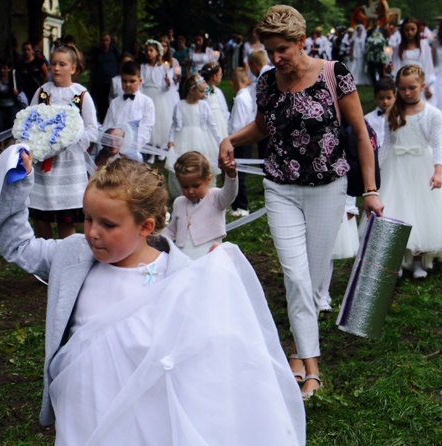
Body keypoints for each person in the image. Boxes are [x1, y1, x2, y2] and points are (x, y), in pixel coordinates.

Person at [0, 151, 305, 445]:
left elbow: (210, 352)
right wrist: (19, 184)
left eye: (107, 224)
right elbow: (16, 245)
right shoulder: (72, 254)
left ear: (146, 227)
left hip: (143, 413)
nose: (92, 232)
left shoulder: (178, 275)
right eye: (87, 218)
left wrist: (216, 278)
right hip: (81, 404)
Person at [219, 5, 383, 401]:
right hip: (280, 187)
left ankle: (297, 351)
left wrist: (371, 189)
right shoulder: (267, 81)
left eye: (282, 50)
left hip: (328, 186)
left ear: (300, 42)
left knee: (309, 278)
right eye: (269, 50)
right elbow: (264, 125)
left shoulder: (333, 73)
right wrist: (232, 140)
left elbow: (360, 133)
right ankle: (313, 368)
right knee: (294, 276)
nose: (275, 58)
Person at [28, 45, 98, 240]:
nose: (56, 68)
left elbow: (92, 129)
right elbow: (30, 120)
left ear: (73, 69)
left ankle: (66, 257)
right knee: (41, 218)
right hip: (44, 163)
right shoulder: (42, 92)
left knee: (65, 217)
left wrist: (68, 139)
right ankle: (46, 258)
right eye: (53, 64)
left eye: (62, 64)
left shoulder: (81, 95)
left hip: (69, 163)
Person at [379, 65, 442, 278]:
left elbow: (438, 144)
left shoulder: (432, 114)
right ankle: (396, 261)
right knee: (396, 211)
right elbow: (386, 143)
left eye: (412, 88)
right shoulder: (393, 112)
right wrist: (378, 168)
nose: (407, 92)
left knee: (420, 212)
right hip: (396, 167)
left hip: (420, 167)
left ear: (422, 86)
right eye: (403, 88)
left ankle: (417, 262)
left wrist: (438, 171)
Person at [163, 151, 237, 259]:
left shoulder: (215, 198)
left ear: (208, 180)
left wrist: (231, 176)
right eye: (185, 187)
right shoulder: (179, 202)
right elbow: (172, 230)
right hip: (182, 255)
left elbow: (230, 194)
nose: (191, 191)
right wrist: (156, 239)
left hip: (209, 253)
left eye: (196, 186)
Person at [166, 74, 223, 199]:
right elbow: (174, 125)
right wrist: (171, 139)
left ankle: (205, 191)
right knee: (185, 164)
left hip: (201, 137)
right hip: (183, 138)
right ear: (192, 90)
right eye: (201, 91)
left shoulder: (204, 106)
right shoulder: (180, 105)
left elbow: (212, 125)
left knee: (203, 163)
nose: (203, 94)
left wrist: (220, 141)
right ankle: (186, 191)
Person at [102, 61, 155, 155]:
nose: (127, 84)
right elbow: (108, 125)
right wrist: (113, 144)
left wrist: (132, 146)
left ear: (140, 81)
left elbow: (146, 128)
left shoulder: (147, 102)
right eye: (124, 81)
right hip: (114, 149)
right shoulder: (114, 103)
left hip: (136, 149)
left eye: (132, 81)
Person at [387, 17, 436, 102]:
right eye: (407, 30)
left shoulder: (424, 46)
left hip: (420, 80)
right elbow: (396, 66)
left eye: (412, 29)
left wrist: (428, 85)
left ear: (417, 30)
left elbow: (428, 66)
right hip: (405, 81)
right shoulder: (398, 49)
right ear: (403, 31)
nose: (410, 32)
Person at [140, 39, 173, 160]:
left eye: (151, 50)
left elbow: (165, 88)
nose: (149, 53)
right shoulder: (143, 67)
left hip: (158, 95)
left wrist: (168, 84)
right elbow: (141, 83)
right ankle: (151, 152)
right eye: (147, 50)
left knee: (159, 121)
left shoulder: (162, 67)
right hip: (147, 94)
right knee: (150, 122)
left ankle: (159, 149)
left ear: (157, 52)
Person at [228, 67, 254, 218]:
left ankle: (242, 206)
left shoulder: (240, 98)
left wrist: (231, 139)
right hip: (246, 139)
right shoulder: (247, 95)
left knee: (239, 174)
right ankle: (236, 204)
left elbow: (237, 123)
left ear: (232, 83)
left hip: (240, 140)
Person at [90, 32, 122, 122]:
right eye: (103, 40)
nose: (105, 43)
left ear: (110, 41)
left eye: (106, 40)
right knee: (101, 105)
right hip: (100, 83)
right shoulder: (97, 52)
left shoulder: (115, 51)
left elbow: (121, 61)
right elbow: (93, 66)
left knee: (112, 104)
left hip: (111, 83)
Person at [0, 57, 21, 136]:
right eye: (1, 68)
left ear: (9, 69)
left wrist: (17, 91)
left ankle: (10, 142)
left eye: (5, 68)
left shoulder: (14, 75)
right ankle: (0, 145)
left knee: (13, 123)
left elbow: (21, 85)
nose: (2, 70)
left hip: (12, 104)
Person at [200, 62, 230, 140]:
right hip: (209, 124)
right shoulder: (204, 91)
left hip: (220, 123)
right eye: (220, 75)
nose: (221, 77)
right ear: (214, 76)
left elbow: (223, 108)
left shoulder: (217, 91)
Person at [364, 77, 396, 148]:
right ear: (375, 98)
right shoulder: (367, 119)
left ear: (395, 97)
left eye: (389, 98)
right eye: (381, 98)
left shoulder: (400, 117)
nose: (385, 101)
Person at [16, 41, 48, 109]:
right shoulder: (19, 63)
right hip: (25, 92)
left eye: (28, 49)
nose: (27, 52)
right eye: (24, 50)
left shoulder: (39, 61)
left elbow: (45, 74)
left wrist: (42, 85)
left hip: (37, 89)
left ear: (32, 50)